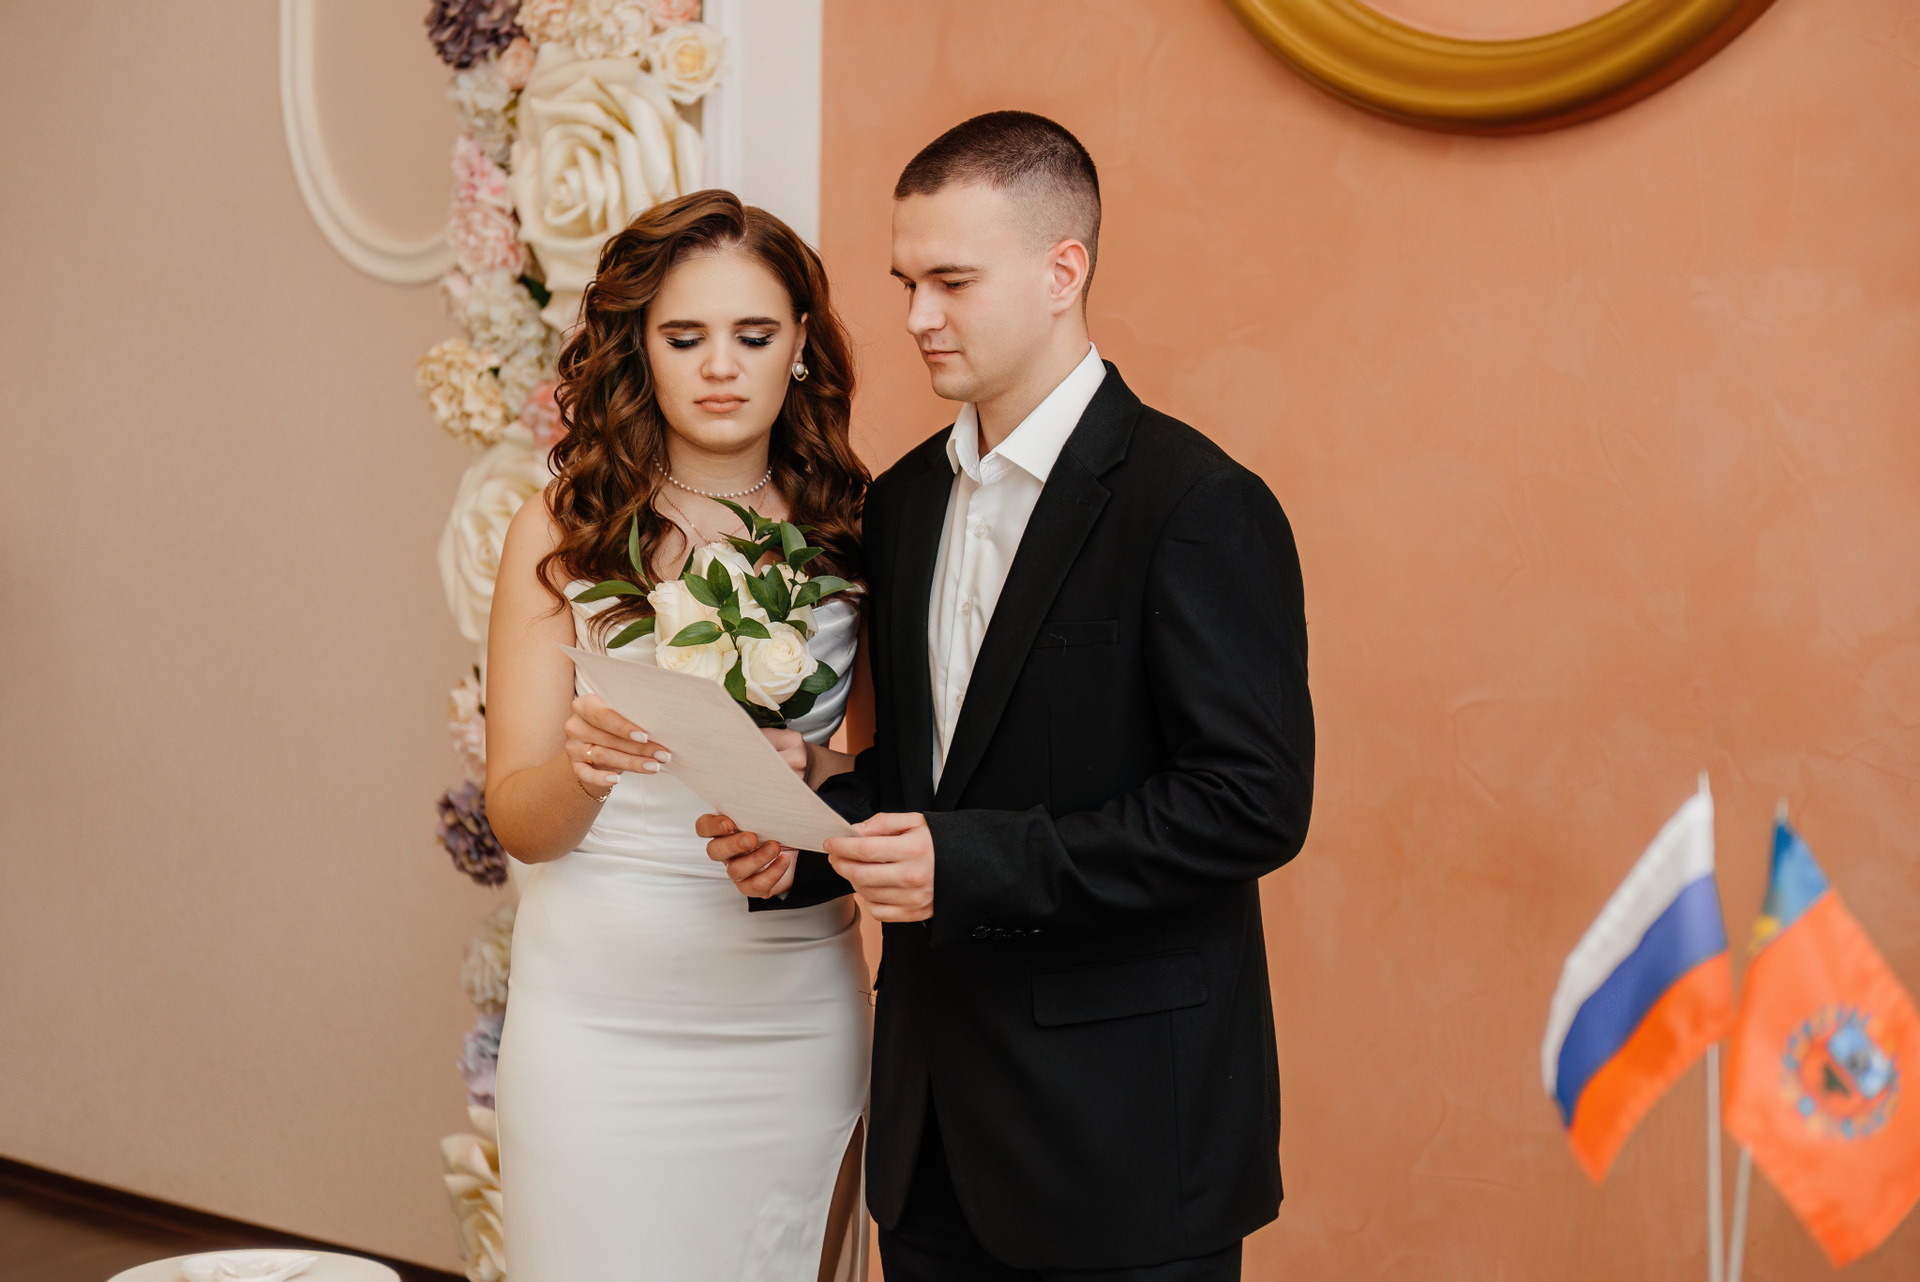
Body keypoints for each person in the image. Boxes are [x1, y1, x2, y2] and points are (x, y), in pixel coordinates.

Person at [701, 112, 1316, 1280]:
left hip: (1122, 1143)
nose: (917, 316)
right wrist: (808, 832)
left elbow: (1252, 804)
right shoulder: (903, 505)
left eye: (953, 281)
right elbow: (931, 782)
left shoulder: (1195, 503)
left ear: (1061, 271)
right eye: (907, 283)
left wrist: (971, 863)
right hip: (931, 1139)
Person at [484, 190, 874, 1281]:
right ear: (638, 348)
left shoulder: (857, 528)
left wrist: (812, 777)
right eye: (685, 337)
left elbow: (890, 780)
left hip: (792, 1014)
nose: (721, 368)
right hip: (594, 1018)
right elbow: (521, 820)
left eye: (753, 335)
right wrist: (585, 768)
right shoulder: (560, 530)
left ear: (801, 342)